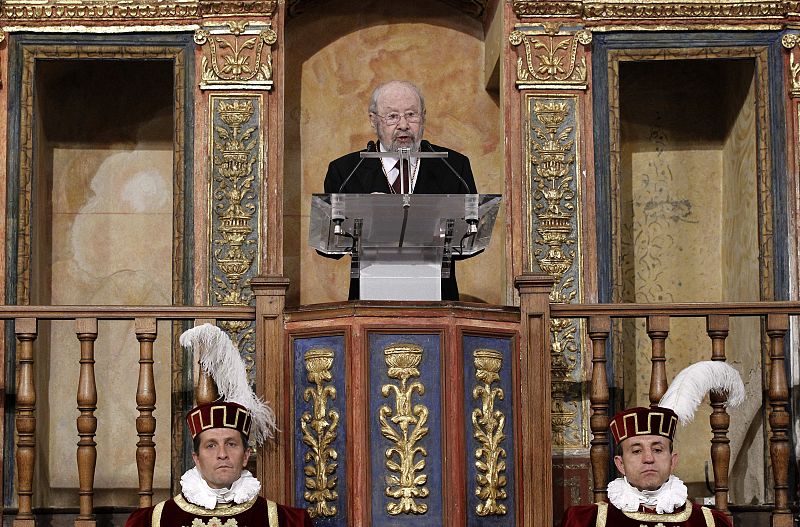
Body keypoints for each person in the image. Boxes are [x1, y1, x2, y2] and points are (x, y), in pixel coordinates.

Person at [125, 325, 313, 527]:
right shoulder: (152, 521)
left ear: (246, 456)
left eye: (231, 444)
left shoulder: (287, 521)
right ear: (196, 458)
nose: (222, 454)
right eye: (211, 445)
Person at [323, 80, 478, 301]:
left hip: (439, 302)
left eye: (411, 115)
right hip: (369, 302)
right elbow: (329, 246)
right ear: (373, 120)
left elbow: (473, 238)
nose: (403, 125)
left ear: (423, 117)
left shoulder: (453, 166)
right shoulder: (347, 170)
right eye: (392, 116)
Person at [560, 361, 744, 527]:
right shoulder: (584, 521)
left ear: (673, 461)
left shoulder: (709, 522)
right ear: (620, 463)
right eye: (636, 451)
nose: (648, 458)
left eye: (657, 449)